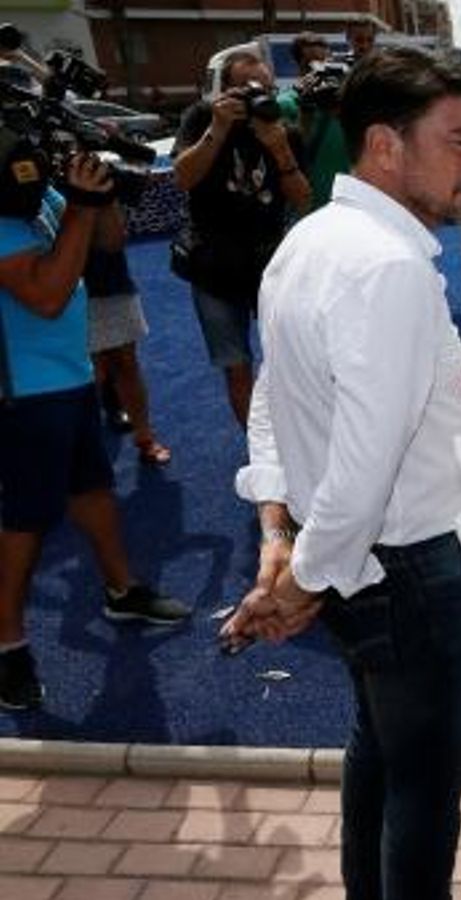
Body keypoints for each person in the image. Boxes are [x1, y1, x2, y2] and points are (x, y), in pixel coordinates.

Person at [222, 47, 461, 900]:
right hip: (401, 569)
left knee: (375, 751)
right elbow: (364, 467)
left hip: (351, 560)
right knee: (422, 790)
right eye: (460, 141)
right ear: (385, 145)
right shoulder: (388, 269)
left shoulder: (309, 242)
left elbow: (272, 397)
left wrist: (278, 535)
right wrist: (302, 576)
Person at [0, 155, 191, 711]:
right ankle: (8, 646)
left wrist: (98, 193)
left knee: (92, 488)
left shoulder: (42, 198)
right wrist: (81, 208)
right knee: (26, 519)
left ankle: (122, 590)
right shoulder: (3, 216)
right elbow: (47, 294)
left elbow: (108, 240)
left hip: (71, 374)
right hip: (23, 392)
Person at [171, 49, 309, 428]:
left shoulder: (282, 129)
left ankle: (295, 441)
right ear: (225, 91)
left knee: (292, 360)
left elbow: (302, 198)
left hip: (271, 265)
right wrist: (217, 129)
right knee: (236, 367)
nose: (258, 97)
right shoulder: (202, 118)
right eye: (247, 89)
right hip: (214, 266)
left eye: (265, 88)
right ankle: (259, 452)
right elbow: (182, 178)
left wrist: (279, 149)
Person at [85, 205, 170, 466]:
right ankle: (82, 450)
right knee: (86, 374)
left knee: (126, 363)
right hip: (57, 288)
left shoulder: (100, 173)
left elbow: (117, 235)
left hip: (108, 280)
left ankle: (144, 437)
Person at [278, 32, 351, 211]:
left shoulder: (346, 103)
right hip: (307, 207)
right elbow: (287, 157)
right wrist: (306, 106)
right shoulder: (286, 104)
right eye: (310, 64)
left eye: (323, 62)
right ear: (298, 65)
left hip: (345, 204)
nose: (317, 69)